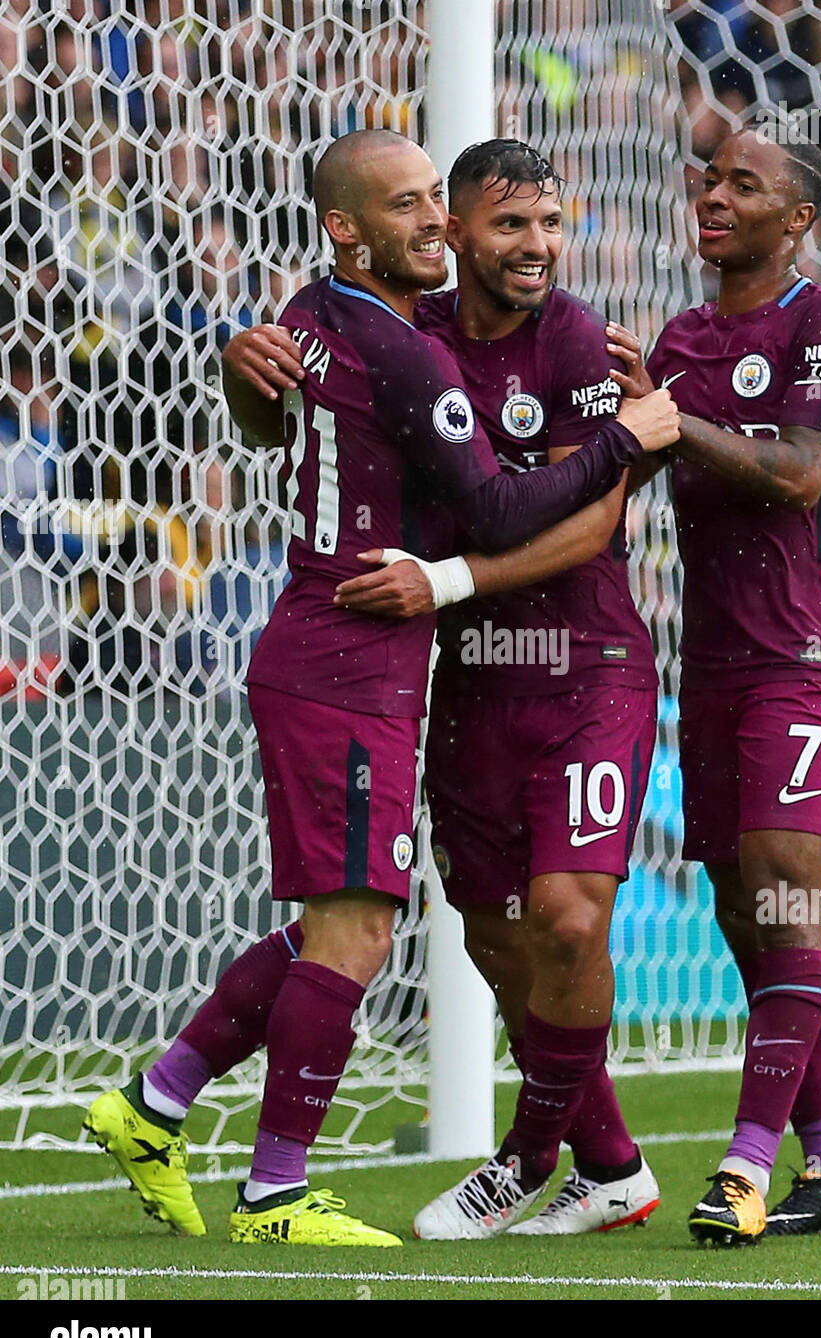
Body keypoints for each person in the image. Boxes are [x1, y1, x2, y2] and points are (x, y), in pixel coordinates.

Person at [83, 129, 678, 1247]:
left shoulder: (383, 320)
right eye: (480, 219)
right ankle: (266, 1184)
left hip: (542, 666)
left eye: (548, 223)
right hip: (368, 662)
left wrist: (616, 444)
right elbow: (492, 503)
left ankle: (177, 1112)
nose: (525, 243)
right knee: (385, 930)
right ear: (370, 227)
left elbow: (578, 518)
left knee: (401, 922)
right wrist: (630, 440)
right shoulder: (408, 339)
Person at [630, 125, 821, 1243]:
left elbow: (797, 472)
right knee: (746, 913)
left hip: (805, 651)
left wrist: (674, 418)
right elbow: (620, 464)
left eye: (747, 184)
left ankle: (740, 1169)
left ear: (796, 220)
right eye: (711, 176)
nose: (714, 194)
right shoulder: (680, 339)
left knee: (784, 887)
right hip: (716, 663)